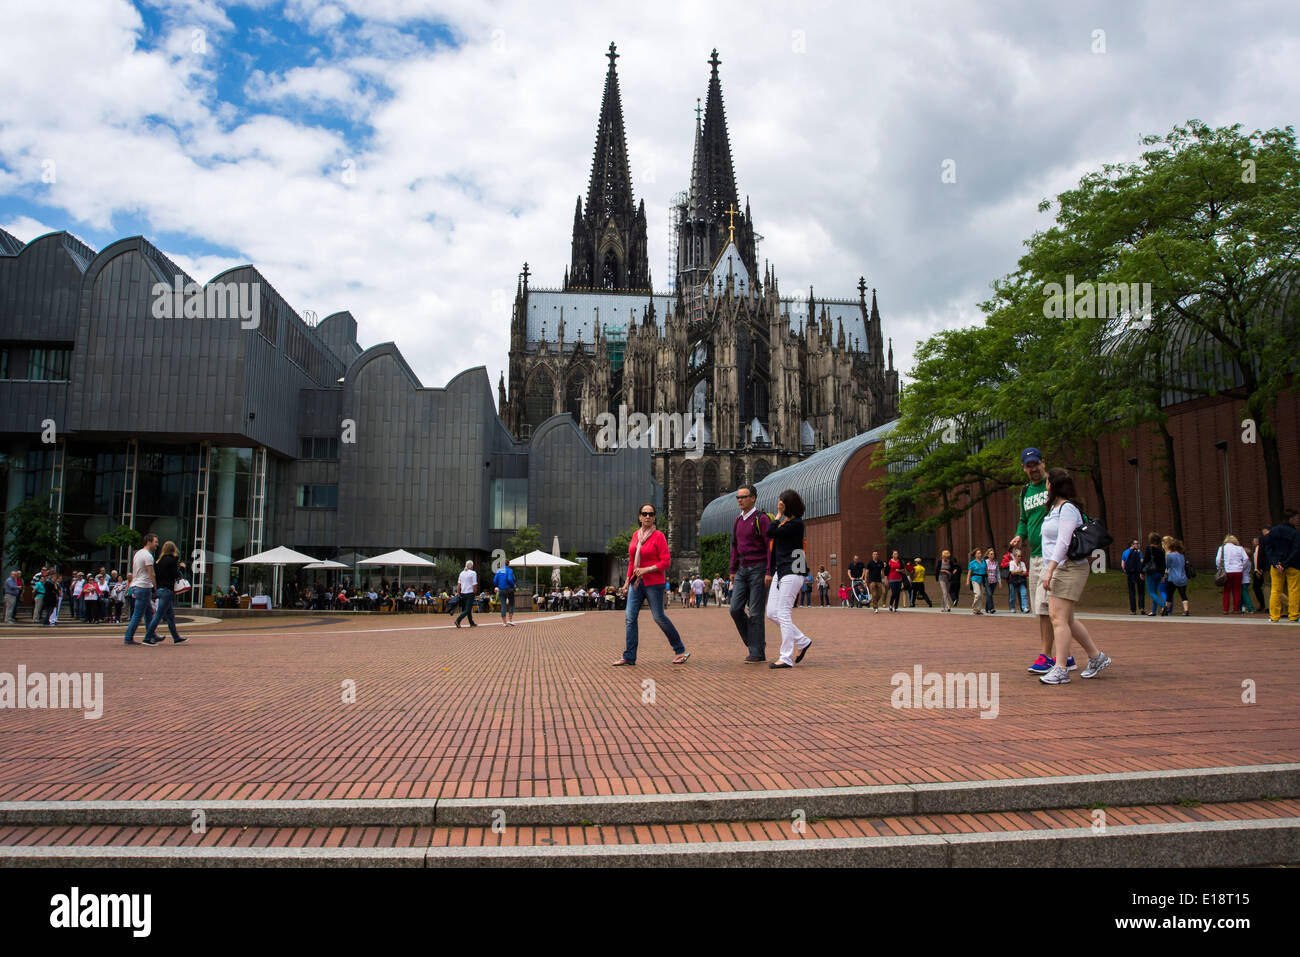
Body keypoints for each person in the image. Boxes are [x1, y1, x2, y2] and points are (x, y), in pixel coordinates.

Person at [1038, 468, 1110, 684]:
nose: (1046, 484)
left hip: (1068, 567)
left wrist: (1050, 569)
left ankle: (1061, 668)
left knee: (1057, 618)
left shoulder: (1067, 509)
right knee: (1066, 618)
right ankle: (1097, 657)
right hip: (1061, 567)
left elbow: (1064, 541)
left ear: (1052, 484)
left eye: (1048, 481)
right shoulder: (1054, 508)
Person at [1011, 448, 1073, 676]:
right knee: (1050, 609)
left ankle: (1047, 655)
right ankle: (1067, 654)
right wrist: (1020, 536)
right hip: (1035, 556)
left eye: (1036, 464)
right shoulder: (1025, 491)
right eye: (1028, 466)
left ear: (1043, 463)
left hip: (1053, 557)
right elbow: (1024, 520)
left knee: (1046, 608)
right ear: (1023, 468)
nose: (1033, 469)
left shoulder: (1054, 484)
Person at [615, 503, 689, 666]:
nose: (647, 516)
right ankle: (629, 656)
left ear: (654, 517)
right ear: (640, 517)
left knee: (658, 617)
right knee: (630, 618)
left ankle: (680, 650)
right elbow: (632, 562)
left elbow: (666, 562)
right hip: (636, 583)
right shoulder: (635, 536)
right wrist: (627, 580)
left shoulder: (659, 537)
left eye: (651, 514)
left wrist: (646, 570)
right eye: (644, 513)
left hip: (654, 583)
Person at [766, 490, 814, 669]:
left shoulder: (796, 524)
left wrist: (777, 516)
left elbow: (770, 532)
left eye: (781, 503)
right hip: (782, 570)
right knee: (772, 613)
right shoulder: (788, 523)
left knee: (784, 613)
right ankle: (802, 641)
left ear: (787, 505)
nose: (779, 506)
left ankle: (786, 657)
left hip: (793, 570)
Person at [729, 484, 771, 662]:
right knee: (735, 609)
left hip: (759, 568)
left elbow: (770, 546)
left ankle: (756, 652)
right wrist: (732, 569)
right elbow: (734, 547)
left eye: (743, 497)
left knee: (755, 612)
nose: (740, 500)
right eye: (738, 497)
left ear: (753, 498)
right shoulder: (738, 520)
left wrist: (769, 571)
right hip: (742, 569)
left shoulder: (761, 519)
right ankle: (755, 642)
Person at [143, 541, 188, 645]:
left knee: (170, 615)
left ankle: (176, 637)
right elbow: (176, 575)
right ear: (173, 549)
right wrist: (181, 568)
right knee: (159, 615)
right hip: (167, 589)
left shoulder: (158, 561)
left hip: (160, 588)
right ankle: (147, 637)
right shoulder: (172, 560)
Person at [1264, 509, 1300, 623]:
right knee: (1294, 590)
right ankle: (1294, 615)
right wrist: (1286, 563)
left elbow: (1268, 548)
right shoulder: (1294, 533)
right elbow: (1296, 550)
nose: (1297, 520)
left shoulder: (1273, 531)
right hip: (1293, 565)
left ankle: (1274, 616)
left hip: (1276, 566)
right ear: (1291, 519)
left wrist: (1275, 563)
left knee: (1276, 590)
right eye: (1296, 518)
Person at [123, 534, 158, 645]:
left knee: (148, 613)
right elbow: (151, 573)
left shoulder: (138, 553)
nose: (157, 544)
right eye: (155, 542)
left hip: (137, 585)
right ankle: (128, 638)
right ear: (149, 542)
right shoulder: (148, 556)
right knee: (138, 615)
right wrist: (155, 587)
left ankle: (151, 634)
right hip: (143, 586)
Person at [1215, 535, 1250, 615]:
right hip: (1238, 571)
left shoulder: (1222, 548)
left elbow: (1217, 560)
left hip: (1227, 571)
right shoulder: (1239, 548)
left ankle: (1225, 609)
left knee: (1226, 590)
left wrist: (1219, 568)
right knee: (1237, 590)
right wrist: (1242, 566)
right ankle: (1236, 609)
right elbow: (1246, 559)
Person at [1162, 537, 1190, 616]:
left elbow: (1167, 565)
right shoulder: (1182, 555)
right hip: (1183, 577)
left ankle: (1166, 609)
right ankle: (1186, 610)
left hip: (1173, 577)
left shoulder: (1170, 555)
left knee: (1169, 594)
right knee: (1183, 594)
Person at [1143, 532, 1168, 616]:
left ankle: (1163, 606)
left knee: (1151, 592)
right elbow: (1163, 564)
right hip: (1159, 573)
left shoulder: (1149, 549)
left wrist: (1141, 572)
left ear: (1151, 540)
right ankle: (1153, 611)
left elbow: (1145, 561)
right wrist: (1162, 574)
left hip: (1151, 572)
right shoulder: (1161, 551)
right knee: (1155, 592)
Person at [1121, 538, 1145, 615]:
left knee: (1132, 592)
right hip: (1138, 573)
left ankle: (1133, 610)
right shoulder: (1138, 552)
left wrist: (1126, 571)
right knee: (1141, 591)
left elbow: (1123, 564)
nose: (1138, 545)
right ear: (1132, 544)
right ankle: (1141, 608)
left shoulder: (1125, 552)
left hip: (1130, 574)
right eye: (1136, 543)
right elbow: (1142, 562)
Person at [455, 560, 478, 628]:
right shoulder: (473, 573)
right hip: (470, 593)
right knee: (467, 609)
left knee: (468, 608)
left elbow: (459, 584)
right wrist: (474, 592)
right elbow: (474, 584)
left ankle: (471, 623)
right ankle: (458, 620)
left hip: (463, 593)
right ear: (472, 566)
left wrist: (458, 593)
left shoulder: (461, 573)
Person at [1251, 533, 1269, 612]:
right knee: (1257, 587)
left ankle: (1263, 604)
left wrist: (1257, 570)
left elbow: (1257, 559)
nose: (1252, 542)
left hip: (1258, 570)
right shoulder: (1257, 548)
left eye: (1254, 541)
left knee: (1256, 587)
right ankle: (1263, 604)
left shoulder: (1259, 548)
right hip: (1258, 570)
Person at [1008, 548, 1029, 613]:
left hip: (1021, 580)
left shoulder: (1022, 563)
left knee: (1024, 593)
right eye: (1018, 556)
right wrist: (1020, 571)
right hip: (1014, 581)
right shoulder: (1011, 563)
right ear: (1015, 556)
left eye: (1020, 556)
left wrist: (1018, 572)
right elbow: (1012, 572)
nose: (1020, 557)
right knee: (1012, 595)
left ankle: (1025, 607)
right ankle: (1012, 607)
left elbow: (1025, 572)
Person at [966, 548, 986, 614]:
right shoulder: (972, 563)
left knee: (981, 595)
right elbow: (969, 573)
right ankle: (974, 606)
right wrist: (968, 581)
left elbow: (986, 570)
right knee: (978, 594)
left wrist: (988, 578)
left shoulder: (983, 561)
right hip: (975, 579)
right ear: (975, 555)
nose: (980, 554)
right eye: (978, 553)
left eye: (980, 553)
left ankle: (978, 609)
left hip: (982, 579)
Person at [984, 546, 999, 614]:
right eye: (991, 554)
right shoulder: (985, 562)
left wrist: (999, 581)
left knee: (990, 595)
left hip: (994, 580)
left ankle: (987, 608)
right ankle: (991, 608)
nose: (992, 555)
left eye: (993, 554)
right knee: (989, 594)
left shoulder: (996, 562)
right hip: (987, 580)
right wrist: (988, 577)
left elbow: (998, 572)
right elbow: (985, 571)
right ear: (988, 555)